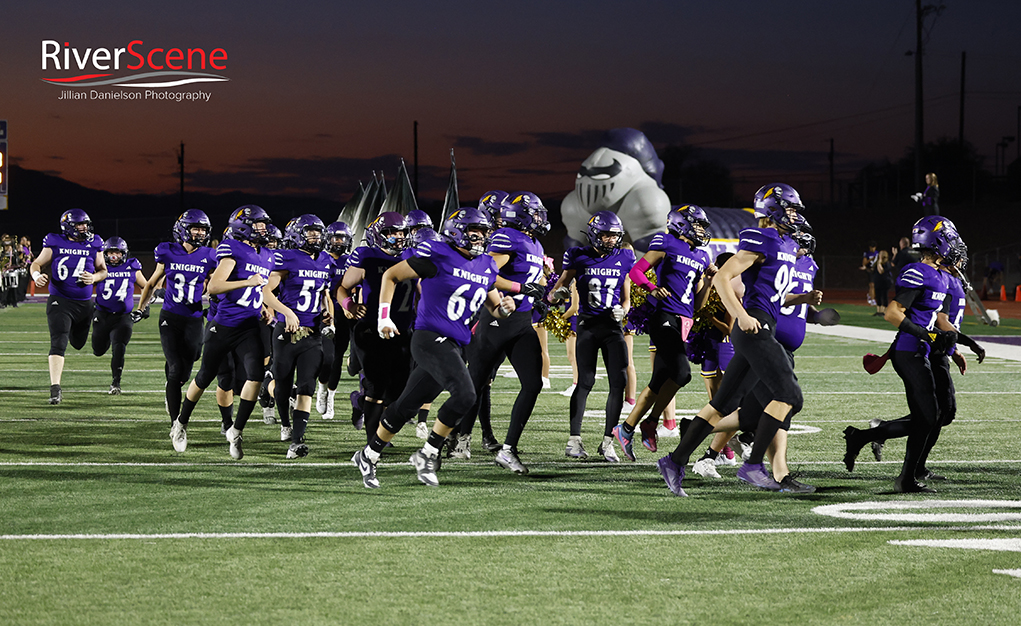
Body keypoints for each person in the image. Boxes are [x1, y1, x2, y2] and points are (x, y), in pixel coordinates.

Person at [656, 183, 807, 496]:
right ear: (774, 209)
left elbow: (774, 293)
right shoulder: (761, 236)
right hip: (754, 327)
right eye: (789, 209)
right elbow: (724, 277)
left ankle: (674, 461)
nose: (794, 215)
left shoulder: (785, 242)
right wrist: (740, 314)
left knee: (722, 405)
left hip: (763, 323)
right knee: (790, 395)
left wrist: (803, 299)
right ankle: (752, 465)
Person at [351, 207, 515, 489]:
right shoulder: (437, 254)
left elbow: (495, 309)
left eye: (484, 232)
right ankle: (427, 454)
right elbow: (391, 275)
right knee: (465, 395)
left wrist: (505, 309)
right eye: (474, 231)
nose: (480, 237)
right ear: (457, 231)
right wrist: (384, 316)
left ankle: (369, 454)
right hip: (429, 338)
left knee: (405, 405)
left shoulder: (486, 265)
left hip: (456, 343)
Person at [846, 234, 985, 487]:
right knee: (929, 416)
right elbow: (894, 313)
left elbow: (937, 320)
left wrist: (960, 344)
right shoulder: (922, 272)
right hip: (911, 350)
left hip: (922, 349)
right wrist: (930, 336)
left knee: (934, 415)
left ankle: (894, 462)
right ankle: (905, 475)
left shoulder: (942, 277)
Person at [170, 205, 282, 460]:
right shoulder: (233, 248)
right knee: (205, 376)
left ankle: (237, 431)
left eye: (264, 224)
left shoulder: (267, 254)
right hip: (224, 325)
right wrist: (247, 282)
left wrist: (269, 307)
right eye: (258, 224)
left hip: (250, 325)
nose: (263, 229)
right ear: (243, 226)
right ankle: (181, 423)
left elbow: (262, 289)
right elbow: (215, 286)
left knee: (255, 376)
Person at [450, 191, 549, 472]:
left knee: (534, 383)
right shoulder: (508, 236)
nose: (540, 218)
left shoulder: (534, 243)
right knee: (476, 384)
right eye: (535, 213)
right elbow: (487, 272)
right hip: (496, 320)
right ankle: (461, 438)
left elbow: (531, 278)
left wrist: (545, 293)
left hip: (521, 322)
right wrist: (517, 288)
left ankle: (508, 450)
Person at [611, 205, 713, 462]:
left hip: (684, 320)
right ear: (682, 224)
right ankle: (651, 422)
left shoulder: (701, 256)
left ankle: (627, 428)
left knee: (660, 378)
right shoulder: (666, 242)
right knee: (682, 372)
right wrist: (651, 287)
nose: (701, 230)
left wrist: (710, 282)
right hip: (663, 316)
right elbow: (636, 271)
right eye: (697, 224)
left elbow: (698, 304)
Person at [549, 211, 634, 462]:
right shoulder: (578, 255)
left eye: (615, 236)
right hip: (587, 325)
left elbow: (626, 298)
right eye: (606, 235)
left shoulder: (625, 256)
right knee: (584, 381)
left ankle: (608, 441)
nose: (610, 240)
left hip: (612, 327)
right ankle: (574, 440)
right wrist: (559, 295)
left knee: (618, 383)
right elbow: (556, 291)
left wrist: (624, 310)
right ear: (595, 234)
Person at [336, 212, 416, 443]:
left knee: (399, 391)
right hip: (371, 329)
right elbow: (342, 287)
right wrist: (348, 303)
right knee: (377, 387)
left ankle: (359, 402)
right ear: (378, 235)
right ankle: (373, 442)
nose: (398, 237)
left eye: (401, 232)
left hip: (402, 330)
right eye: (391, 232)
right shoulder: (367, 256)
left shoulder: (412, 255)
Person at [135, 210, 216, 423]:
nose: (199, 233)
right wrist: (141, 307)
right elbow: (152, 282)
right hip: (170, 316)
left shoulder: (209, 256)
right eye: (195, 228)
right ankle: (175, 423)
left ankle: (172, 380)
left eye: (202, 229)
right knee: (176, 369)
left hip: (194, 316)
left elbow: (217, 283)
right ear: (182, 229)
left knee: (190, 363)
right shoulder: (168, 252)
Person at [265, 214, 333, 458]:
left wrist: (327, 314)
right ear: (296, 235)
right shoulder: (286, 257)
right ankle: (285, 423)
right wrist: (286, 312)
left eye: (317, 232)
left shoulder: (325, 260)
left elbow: (324, 293)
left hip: (312, 333)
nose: (315, 236)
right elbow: (265, 291)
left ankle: (297, 441)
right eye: (310, 232)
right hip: (287, 331)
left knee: (306, 386)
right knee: (283, 385)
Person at [30, 209, 108, 405]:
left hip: (84, 304)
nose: (84, 228)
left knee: (78, 343)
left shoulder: (94, 242)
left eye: (85, 224)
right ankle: (55, 388)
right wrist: (37, 276)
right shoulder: (54, 241)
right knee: (59, 342)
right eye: (80, 225)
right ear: (69, 227)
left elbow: (103, 271)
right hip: (60, 300)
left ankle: (75, 332)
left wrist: (94, 278)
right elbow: (37, 263)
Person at [91, 236, 146, 394]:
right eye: (111, 252)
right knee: (98, 350)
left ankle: (116, 382)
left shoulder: (131, 266)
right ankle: (106, 339)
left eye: (118, 252)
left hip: (123, 316)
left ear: (124, 253)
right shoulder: (99, 267)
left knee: (119, 347)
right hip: (102, 314)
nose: (114, 256)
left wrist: (143, 308)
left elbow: (146, 286)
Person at [314, 220, 355, 421]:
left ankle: (329, 397)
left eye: (343, 238)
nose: (339, 242)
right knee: (327, 358)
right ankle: (321, 386)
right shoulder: (321, 258)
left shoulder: (350, 260)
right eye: (336, 237)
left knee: (337, 358)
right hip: (325, 314)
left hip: (345, 315)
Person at [873, 249, 892, 316]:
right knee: (878, 296)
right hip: (878, 282)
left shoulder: (887, 264)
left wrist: (879, 262)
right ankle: (879, 311)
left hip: (885, 282)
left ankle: (884, 311)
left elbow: (881, 271)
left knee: (884, 296)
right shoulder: (876, 263)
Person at [860, 241, 879, 306]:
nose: (873, 249)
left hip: (876, 271)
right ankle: (873, 300)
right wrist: (870, 260)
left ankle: (870, 295)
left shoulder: (877, 253)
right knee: (872, 285)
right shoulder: (867, 254)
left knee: (875, 286)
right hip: (870, 270)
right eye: (872, 247)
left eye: (874, 247)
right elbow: (864, 263)